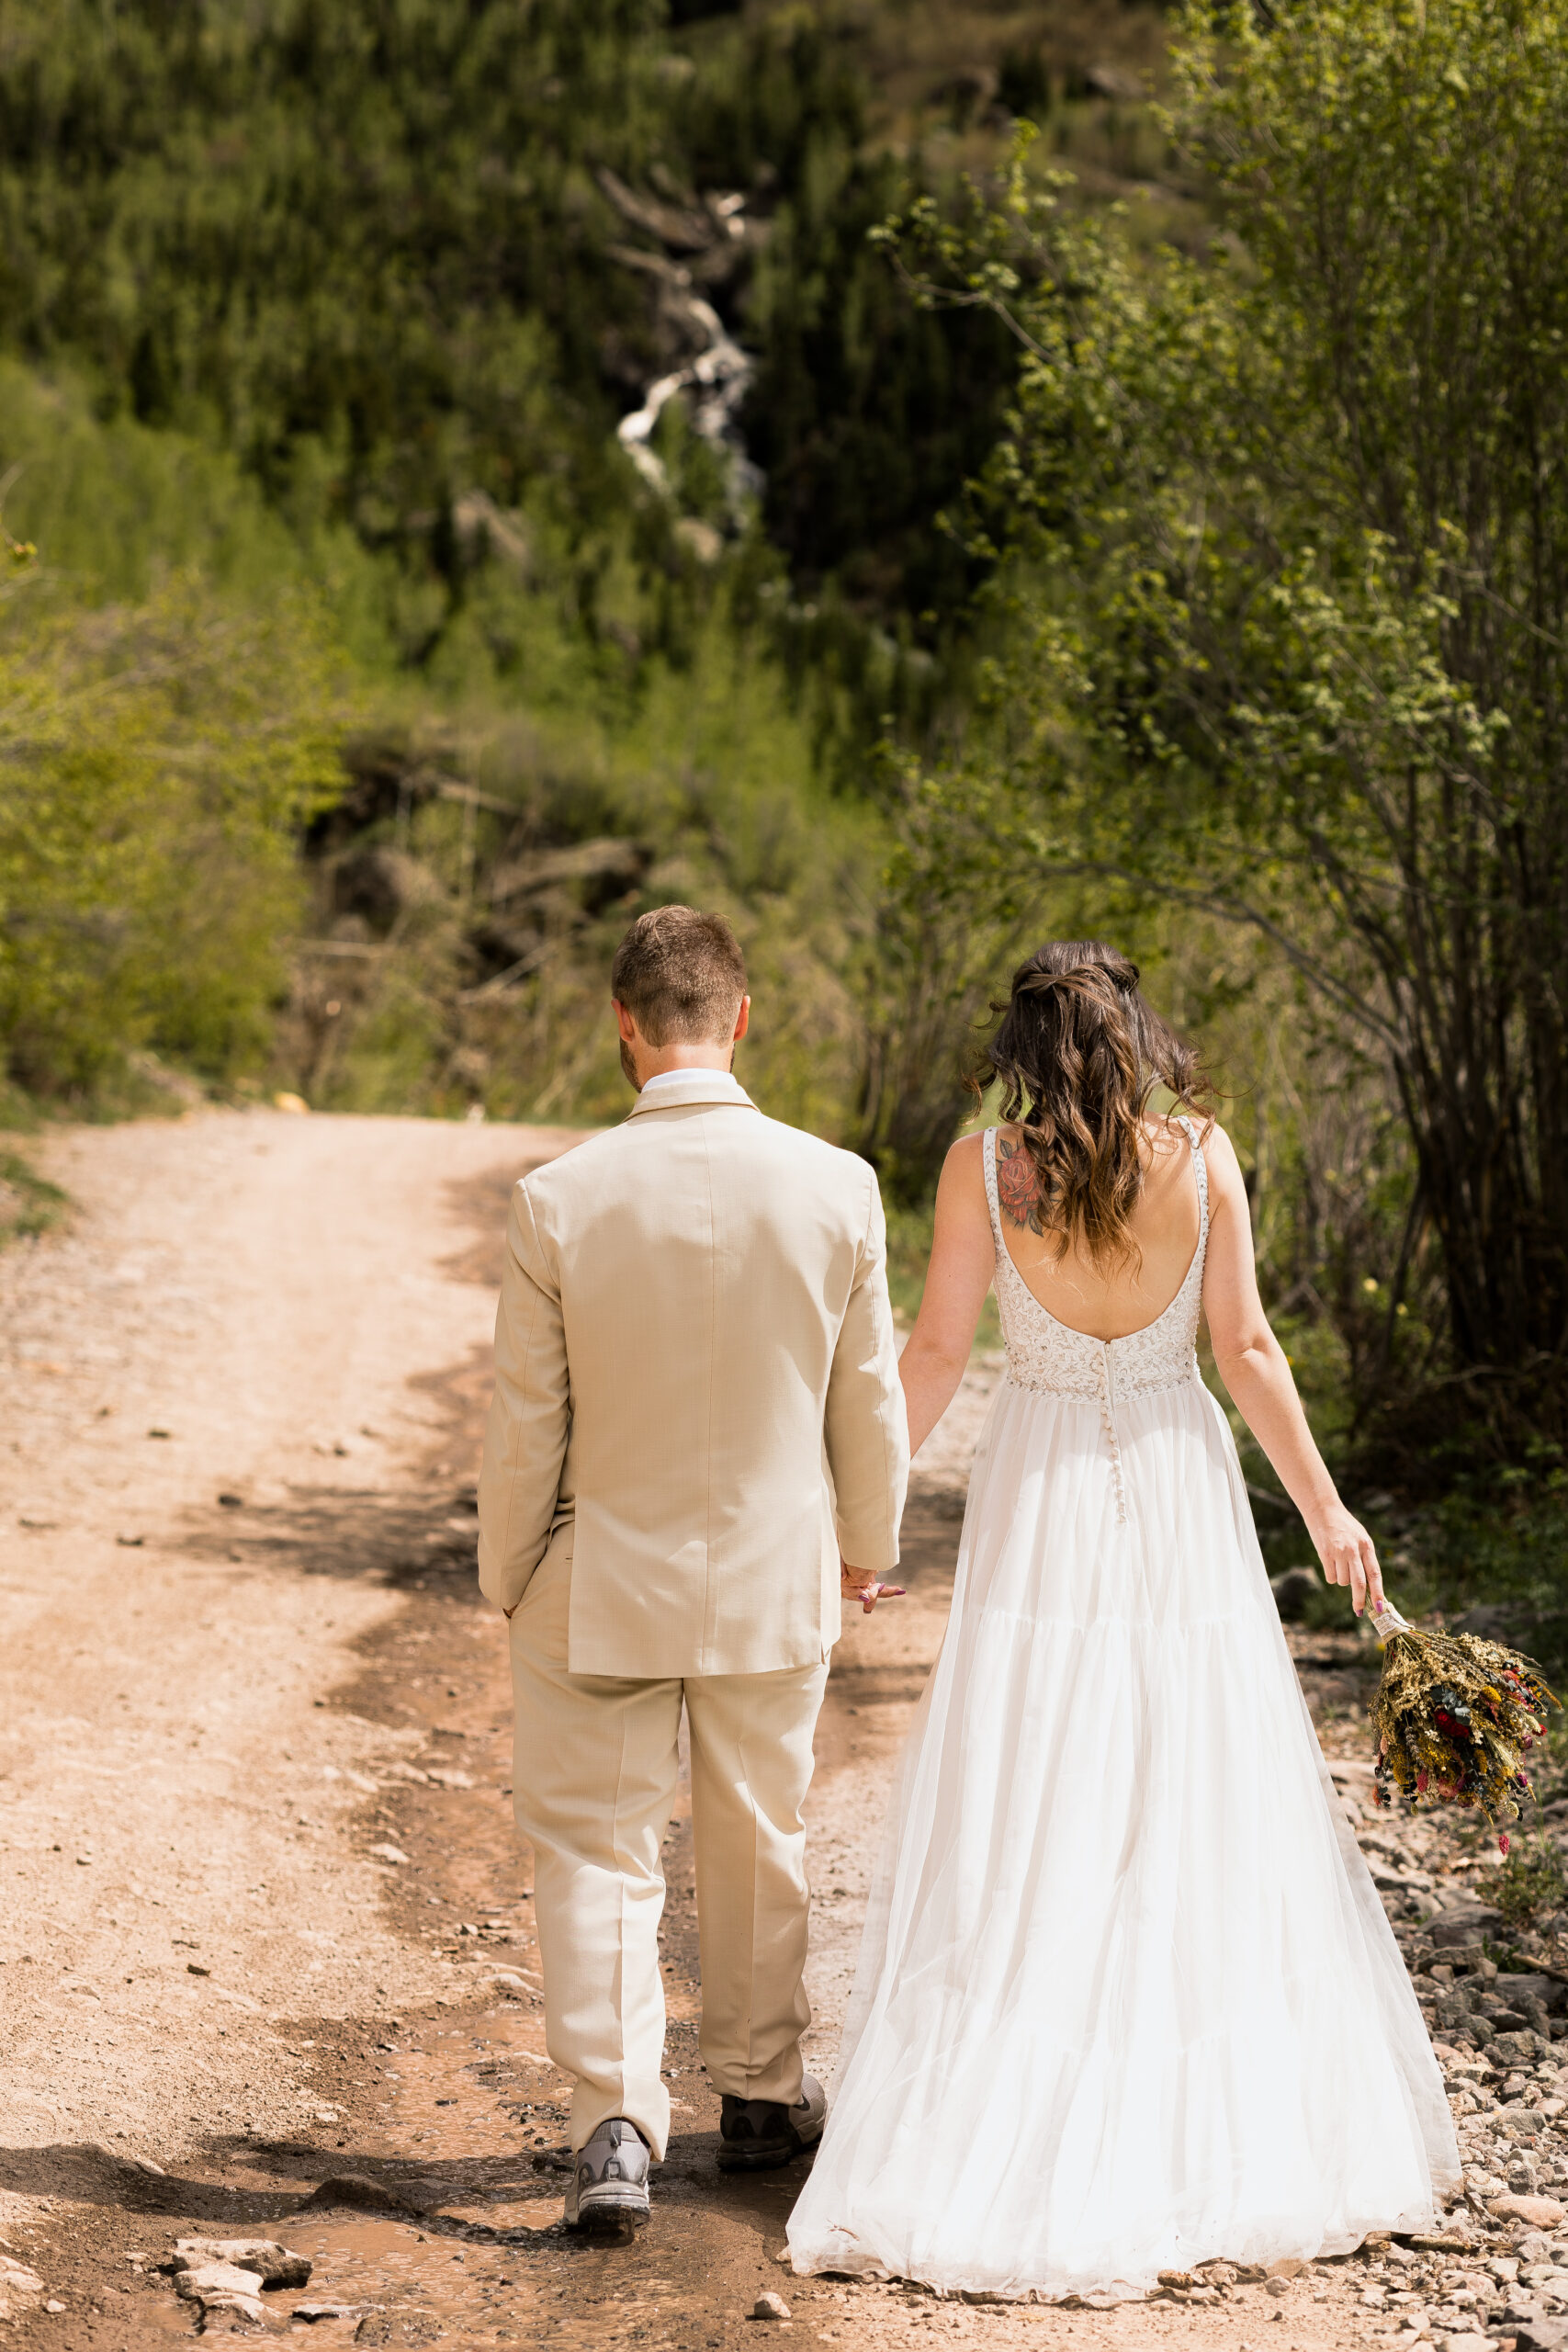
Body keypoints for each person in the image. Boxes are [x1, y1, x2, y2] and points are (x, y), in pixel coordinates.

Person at [786, 941, 1460, 2301]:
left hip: (1040, 1485)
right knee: (1187, 1771)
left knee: (1038, 1768)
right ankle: (1191, 2090)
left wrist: (862, 1524)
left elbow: (932, 1353)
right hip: (1173, 1478)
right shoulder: (1201, 1155)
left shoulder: (986, 1171)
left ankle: (1020, 2069)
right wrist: (1329, 1515)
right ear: (1134, 1035)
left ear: (1021, 1050)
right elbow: (1248, 1351)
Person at [478, 905, 909, 2230]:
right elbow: (869, 1400)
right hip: (779, 1574)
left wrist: (510, 1574)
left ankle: (615, 2124)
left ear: (625, 1023)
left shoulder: (558, 1198)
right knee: (758, 1829)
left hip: (599, 1573)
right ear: (740, 1016)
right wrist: (868, 1551)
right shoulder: (838, 1185)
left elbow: (524, 1422)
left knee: (596, 1847)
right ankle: (762, 2095)